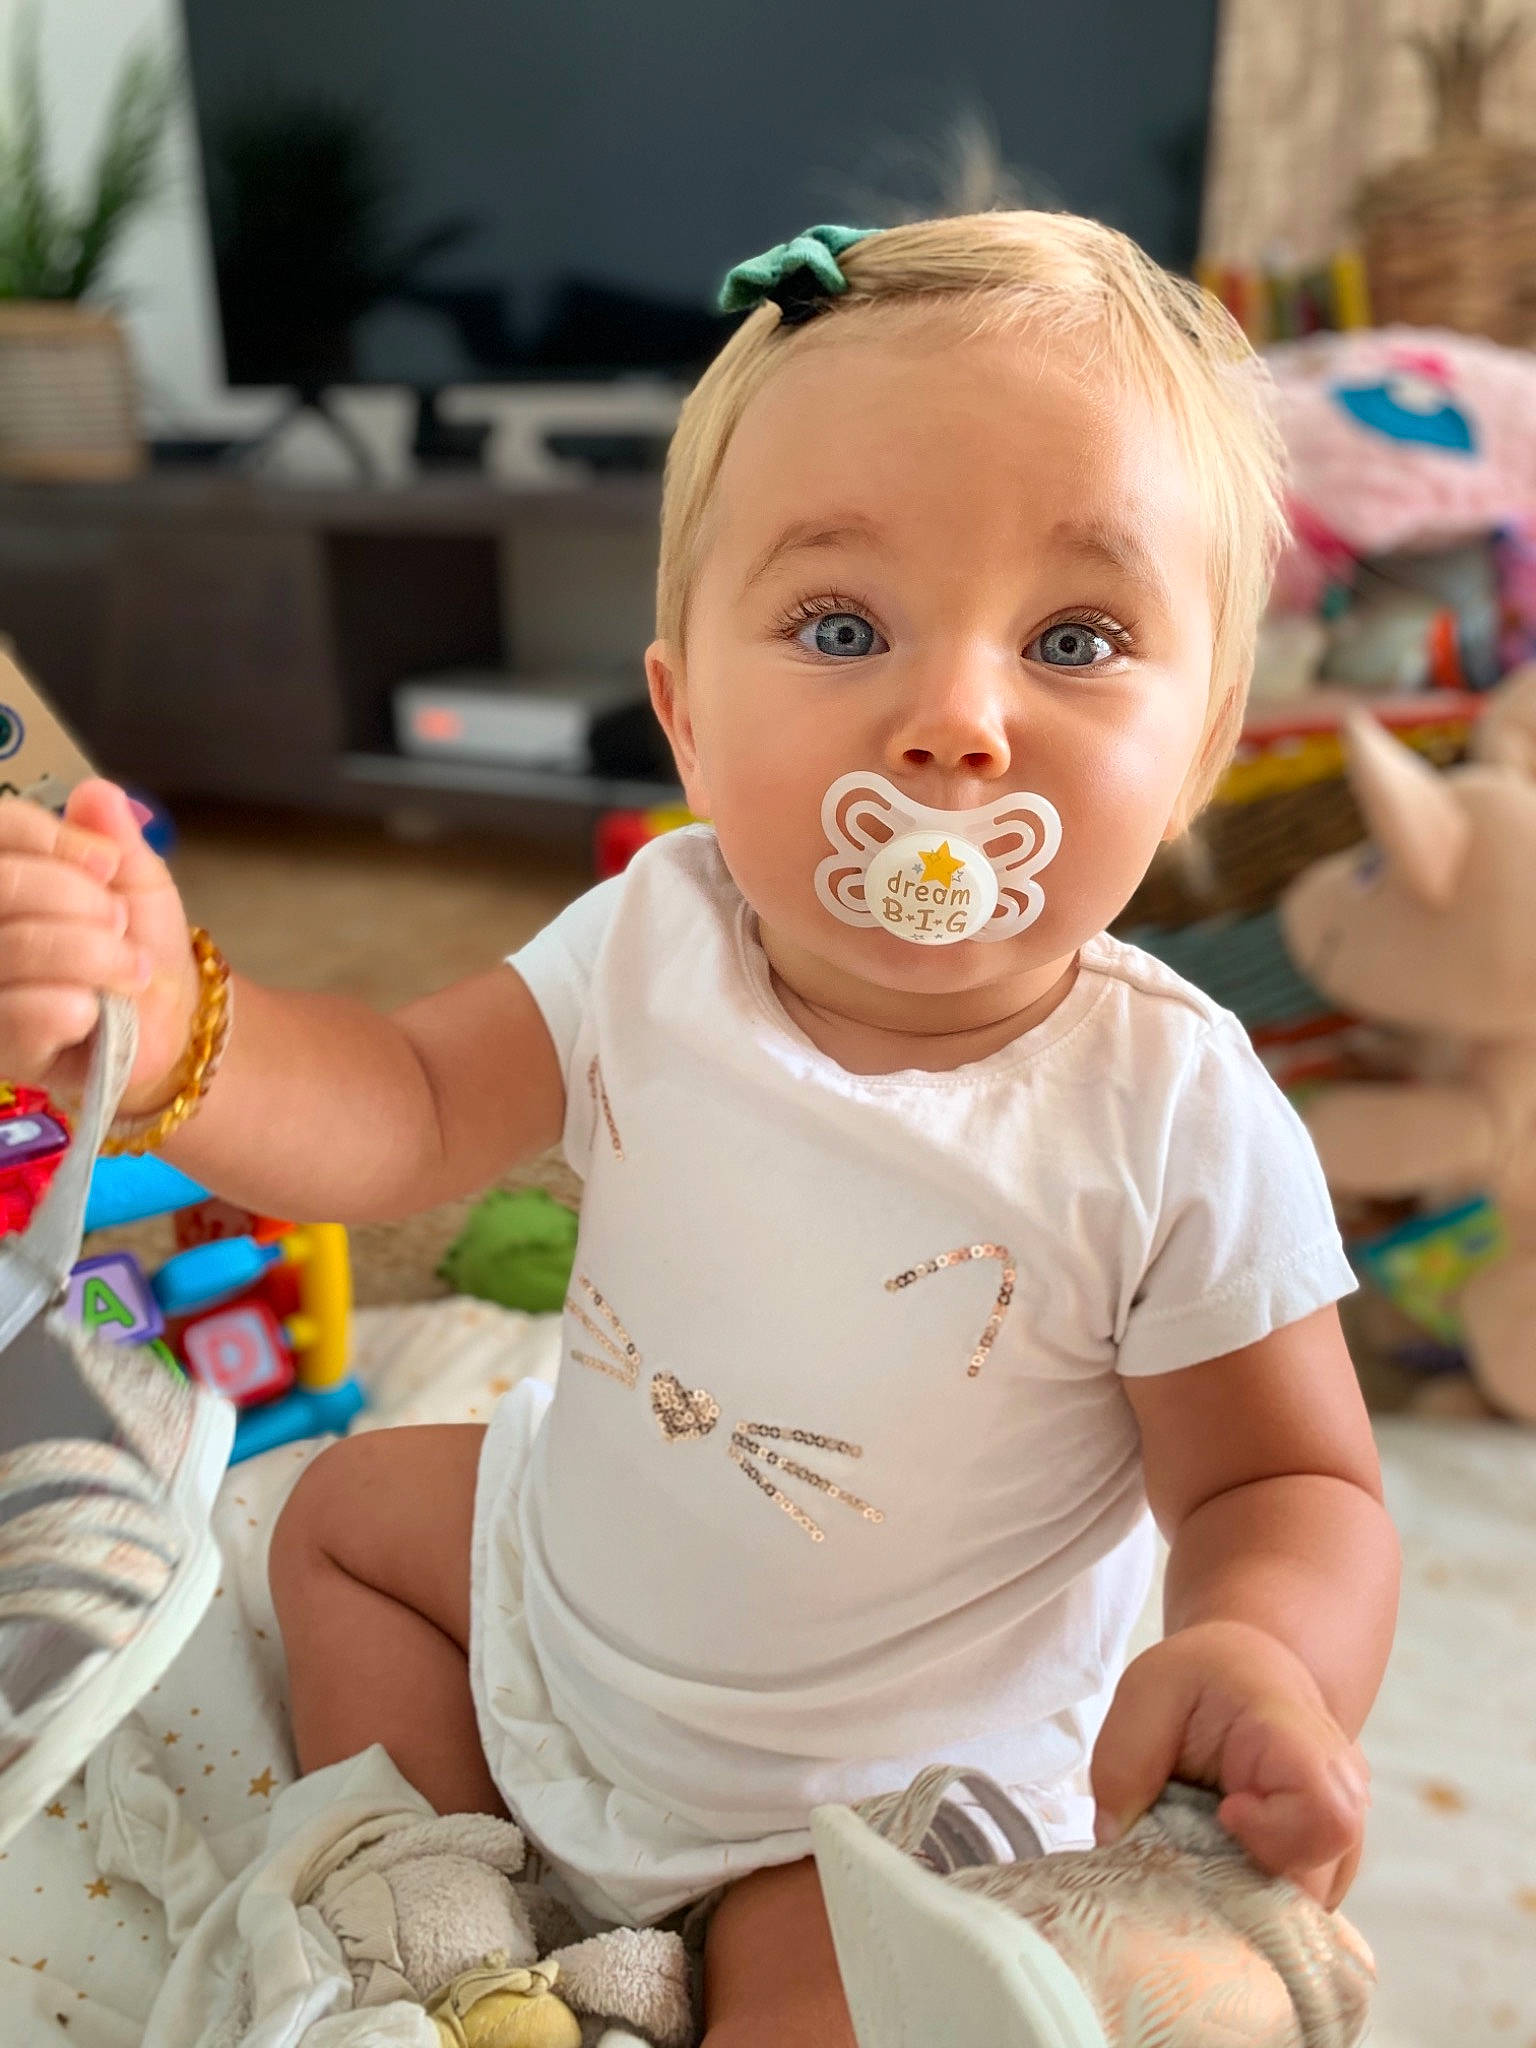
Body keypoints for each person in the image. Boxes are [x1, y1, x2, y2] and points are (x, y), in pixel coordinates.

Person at [0, 212, 1400, 2048]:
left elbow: (1280, 1485)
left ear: (1202, 743)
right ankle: (435, 1897)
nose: (954, 724)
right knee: (343, 1518)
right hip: (567, 1607)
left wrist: (1257, 1657)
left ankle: (666, 1978)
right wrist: (193, 1029)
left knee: (839, 1991)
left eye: (1074, 637)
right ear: (681, 712)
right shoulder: (653, 937)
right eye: (840, 625)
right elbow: (405, 1109)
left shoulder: (1174, 1111)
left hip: (876, 1783)